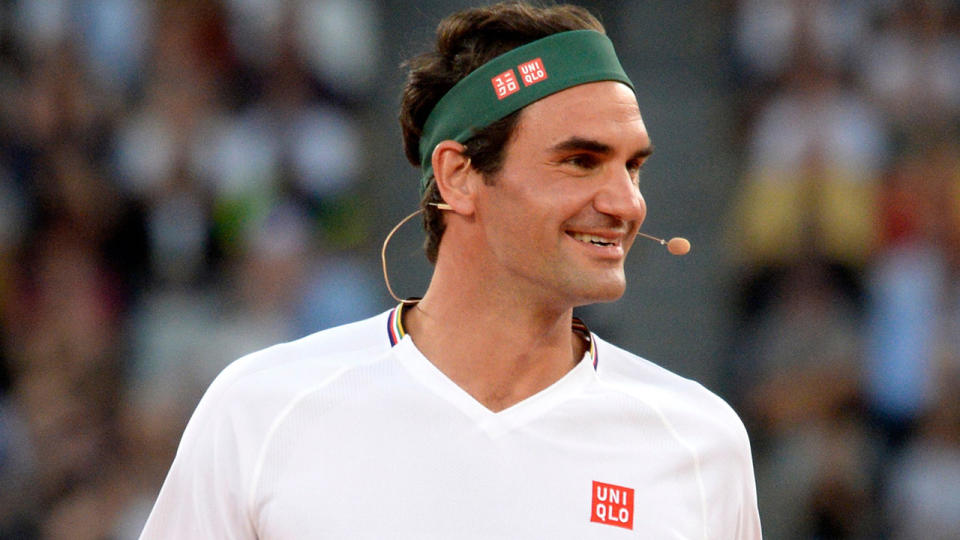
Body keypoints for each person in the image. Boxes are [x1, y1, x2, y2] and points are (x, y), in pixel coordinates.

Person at [140, 3, 761, 538]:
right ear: (458, 176)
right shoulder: (261, 411)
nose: (627, 202)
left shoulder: (699, 442)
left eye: (633, 166)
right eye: (580, 160)